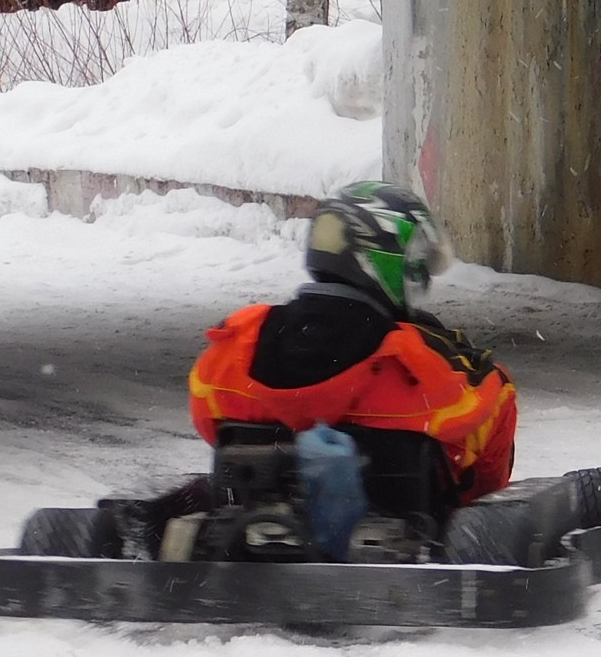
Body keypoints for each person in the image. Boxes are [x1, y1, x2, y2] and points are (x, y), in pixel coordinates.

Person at [188, 182, 517, 507]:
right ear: (387, 257)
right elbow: (493, 408)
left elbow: (209, 420)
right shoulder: (416, 358)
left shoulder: (237, 343)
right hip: (399, 537)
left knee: (192, 498)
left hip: (255, 527)